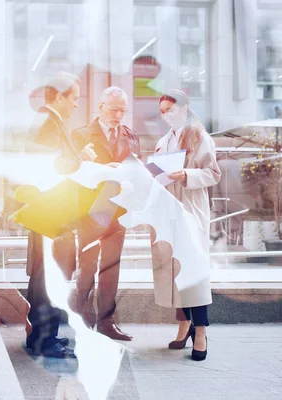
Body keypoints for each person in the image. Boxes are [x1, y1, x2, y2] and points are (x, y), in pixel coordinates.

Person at [24, 72, 95, 358]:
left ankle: (44, 336)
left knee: (45, 276)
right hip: (51, 216)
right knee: (47, 279)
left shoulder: (51, 123)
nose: (77, 105)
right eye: (74, 98)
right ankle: (44, 340)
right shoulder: (47, 124)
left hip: (49, 216)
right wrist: (83, 158)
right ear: (59, 97)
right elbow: (53, 166)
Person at [153, 89, 221, 361]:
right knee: (174, 272)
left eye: (170, 109)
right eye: (161, 111)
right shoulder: (162, 141)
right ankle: (183, 324)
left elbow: (213, 173)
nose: (165, 115)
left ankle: (201, 330)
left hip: (190, 212)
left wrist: (187, 175)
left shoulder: (199, 137)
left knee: (195, 273)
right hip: (167, 214)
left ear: (183, 108)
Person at [69, 86, 141, 341]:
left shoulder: (131, 137)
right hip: (91, 211)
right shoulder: (80, 136)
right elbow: (73, 173)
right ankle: (79, 318)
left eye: (123, 110)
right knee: (87, 266)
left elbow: (136, 170)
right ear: (100, 106)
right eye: (114, 109)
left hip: (118, 210)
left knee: (111, 268)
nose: (119, 115)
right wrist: (102, 169)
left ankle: (106, 322)